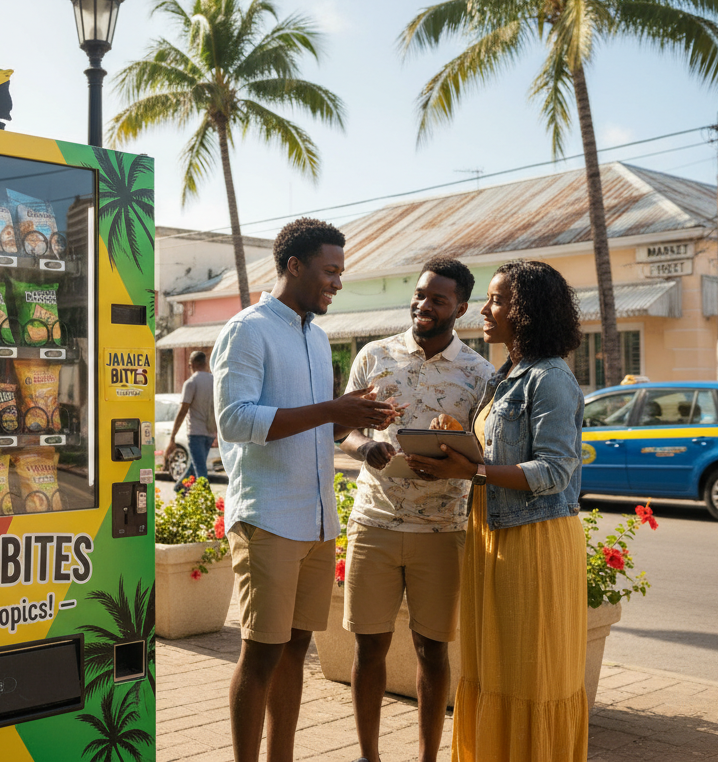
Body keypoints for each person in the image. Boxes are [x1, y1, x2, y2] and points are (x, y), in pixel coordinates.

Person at [212, 217, 400, 762]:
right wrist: (332, 409)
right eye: (330, 270)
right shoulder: (247, 329)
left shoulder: (317, 337)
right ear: (294, 266)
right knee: (261, 655)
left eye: (341, 271)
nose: (338, 282)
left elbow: (328, 426)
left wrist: (362, 431)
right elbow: (236, 420)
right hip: (268, 516)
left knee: (296, 651)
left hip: (317, 521)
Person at [409, 259, 588, 761]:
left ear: (526, 311)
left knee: (531, 674)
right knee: (493, 670)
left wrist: (472, 472)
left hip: (533, 542)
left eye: (497, 300)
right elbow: (496, 456)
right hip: (493, 536)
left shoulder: (550, 379)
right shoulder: (505, 376)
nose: (485, 311)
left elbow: (554, 471)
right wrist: (458, 445)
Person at [337, 256, 494, 762]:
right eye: (421, 294)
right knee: (369, 648)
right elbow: (344, 427)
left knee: (433, 650)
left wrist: (453, 461)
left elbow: (484, 452)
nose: (423, 305)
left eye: (438, 299)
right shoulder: (374, 355)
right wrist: (365, 447)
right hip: (374, 522)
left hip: (442, 529)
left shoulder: (479, 374)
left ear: (461, 308)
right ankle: (369, 755)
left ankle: (428, 757)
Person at [165, 351, 215, 493]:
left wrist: (173, 436)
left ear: (191, 365)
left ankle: (208, 503)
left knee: (200, 470)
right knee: (195, 465)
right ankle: (179, 488)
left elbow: (183, 410)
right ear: (205, 364)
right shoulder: (215, 381)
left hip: (195, 432)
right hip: (211, 432)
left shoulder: (191, 383)